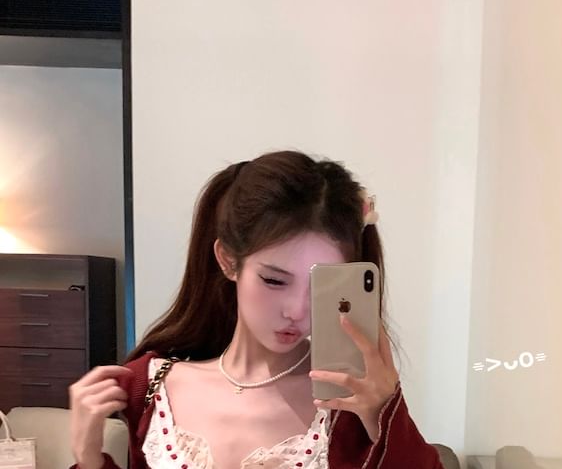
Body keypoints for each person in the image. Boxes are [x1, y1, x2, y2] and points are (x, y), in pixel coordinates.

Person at [68, 150, 444, 469]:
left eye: (320, 288)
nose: (297, 310)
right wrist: (88, 458)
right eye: (274, 280)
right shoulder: (149, 387)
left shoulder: (348, 401)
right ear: (228, 260)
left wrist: (385, 414)